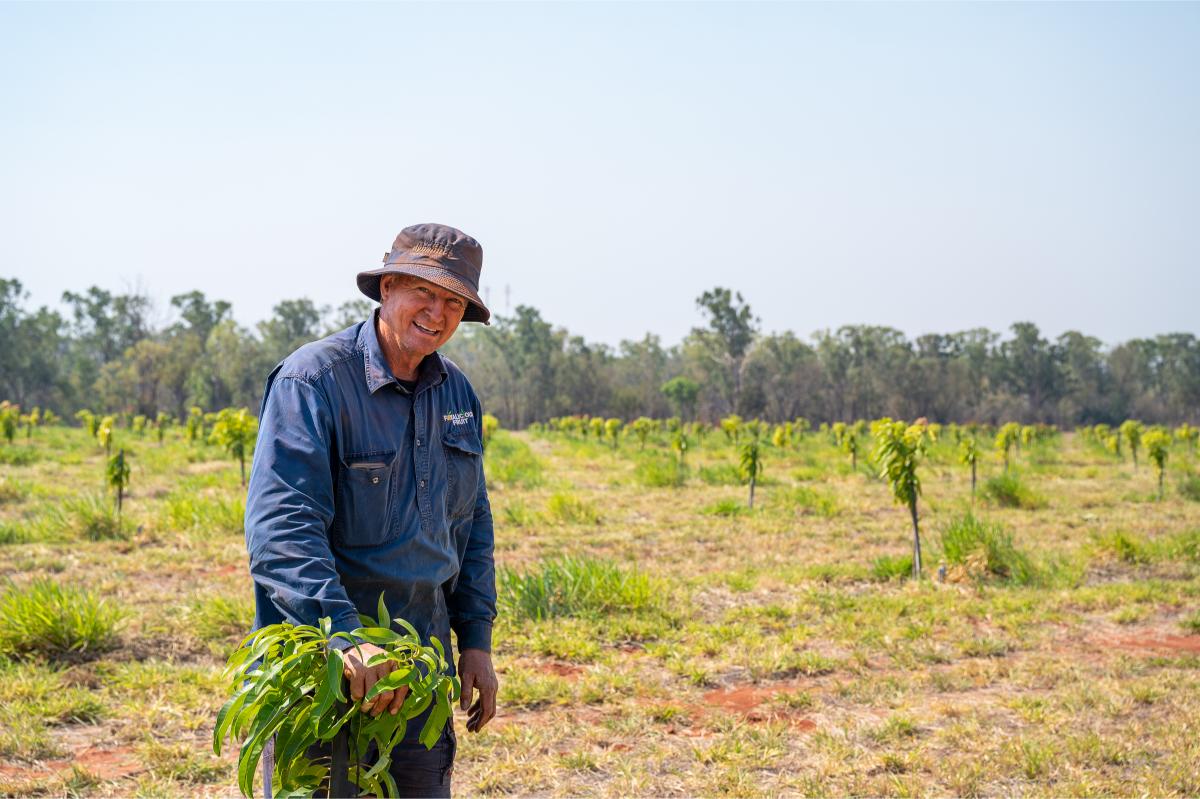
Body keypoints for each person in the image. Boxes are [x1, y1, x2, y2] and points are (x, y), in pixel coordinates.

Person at [244, 223, 499, 797]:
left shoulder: (456, 393)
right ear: (387, 288)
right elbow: (283, 528)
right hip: (322, 669)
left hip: (419, 672)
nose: (438, 313)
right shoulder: (314, 380)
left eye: (454, 302)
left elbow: (472, 525)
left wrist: (475, 639)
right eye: (424, 293)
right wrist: (344, 634)